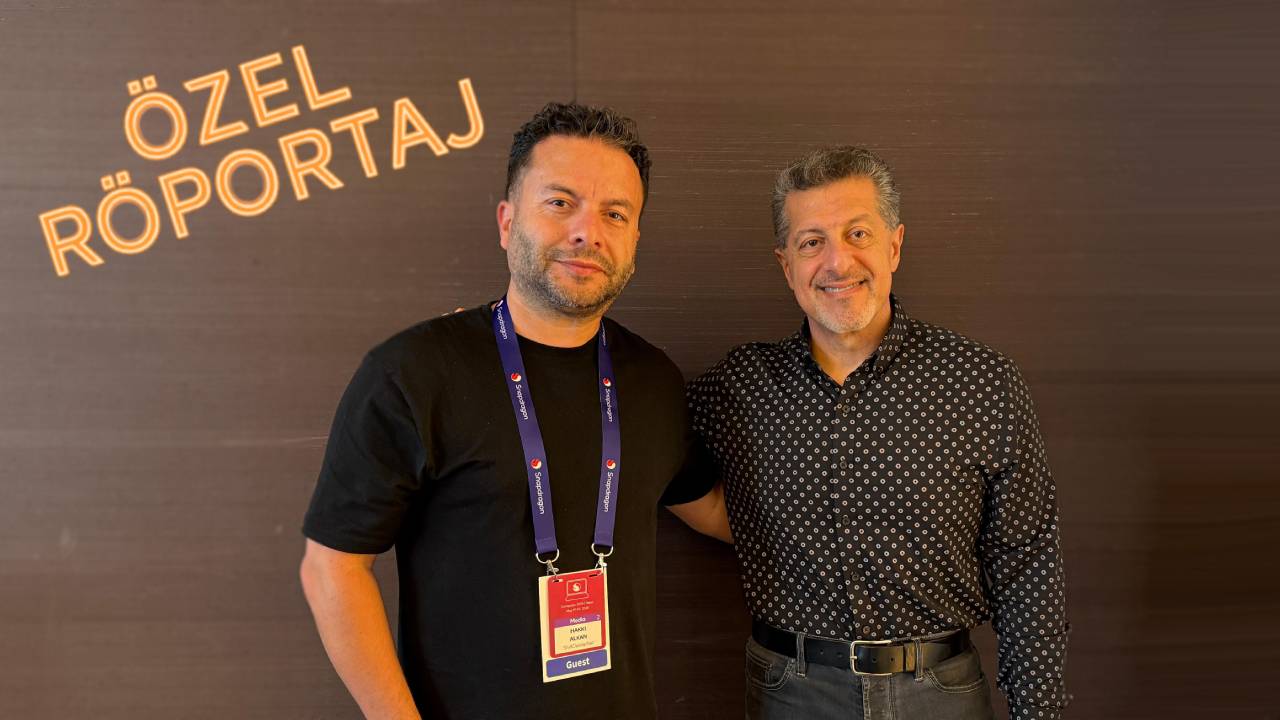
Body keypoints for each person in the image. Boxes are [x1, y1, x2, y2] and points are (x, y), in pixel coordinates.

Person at [298, 101, 728, 720]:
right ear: (507, 222)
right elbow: (332, 569)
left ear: (634, 239)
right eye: (560, 202)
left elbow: (709, 508)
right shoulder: (414, 372)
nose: (587, 232)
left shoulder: (654, 379)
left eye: (615, 213)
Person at [683, 146, 1069, 719]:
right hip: (791, 692)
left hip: (940, 693)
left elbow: (1026, 564)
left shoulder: (982, 382)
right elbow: (649, 442)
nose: (837, 262)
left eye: (858, 234)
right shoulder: (740, 386)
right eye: (811, 242)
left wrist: (1039, 712)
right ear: (786, 265)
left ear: (894, 245)